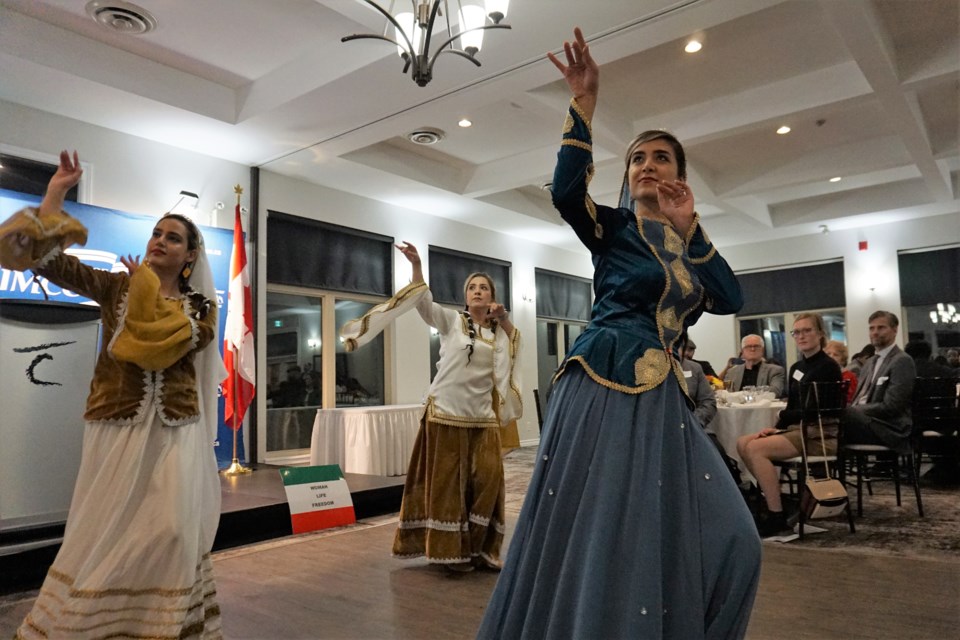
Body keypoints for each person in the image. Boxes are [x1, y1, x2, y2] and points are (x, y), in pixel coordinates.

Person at [478, 28, 759, 639]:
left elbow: (732, 298)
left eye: (661, 158)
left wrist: (693, 227)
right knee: (606, 529)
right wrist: (583, 103)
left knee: (738, 539)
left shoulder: (689, 249)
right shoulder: (612, 229)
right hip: (603, 383)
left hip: (664, 400)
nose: (648, 164)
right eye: (638, 157)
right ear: (626, 175)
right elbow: (563, 192)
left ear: (680, 177)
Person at [0, 151, 224, 638]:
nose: (160, 241)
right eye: (156, 233)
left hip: (175, 429)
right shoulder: (115, 287)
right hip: (117, 424)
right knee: (105, 531)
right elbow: (42, 257)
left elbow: (164, 345)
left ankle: (161, 624)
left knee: (173, 530)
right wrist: (57, 191)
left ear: (190, 257)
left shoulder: (202, 307)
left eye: (173, 237)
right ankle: (96, 624)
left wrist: (144, 290)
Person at [340, 242, 521, 572]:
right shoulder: (453, 321)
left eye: (484, 287)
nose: (478, 291)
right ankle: (451, 552)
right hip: (446, 413)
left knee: (488, 480)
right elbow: (423, 303)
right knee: (448, 485)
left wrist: (504, 319)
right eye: (472, 288)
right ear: (466, 297)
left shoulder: (498, 333)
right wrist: (417, 267)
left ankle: (482, 549)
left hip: (482, 417)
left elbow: (513, 349)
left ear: (493, 296)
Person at [736, 313, 842, 537]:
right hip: (799, 429)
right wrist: (776, 426)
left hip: (819, 435)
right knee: (743, 442)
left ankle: (777, 516)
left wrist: (786, 418)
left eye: (807, 331)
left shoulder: (828, 367)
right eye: (797, 332)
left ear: (820, 334)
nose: (801, 336)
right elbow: (793, 406)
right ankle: (774, 498)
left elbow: (814, 411)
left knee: (756, 448)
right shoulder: (796, 367)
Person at [842, 311, 916, 454]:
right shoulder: (869, 363)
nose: (875, 332)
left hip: (889, 428)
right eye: (872, 328)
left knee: (836, 417)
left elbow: (892, 406)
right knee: (825, 418)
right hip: (863, 421)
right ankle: (821, 470)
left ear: (895, 330)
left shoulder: (902, 360)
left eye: (881, 327)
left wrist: (854, 410)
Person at [825, 339, 858, 404]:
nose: (831, 357)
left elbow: (850, 399)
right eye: (828, 354)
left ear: (842, 359)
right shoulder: (821, 374)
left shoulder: (850, 376)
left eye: (836, 355)